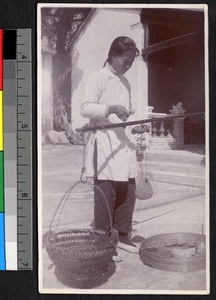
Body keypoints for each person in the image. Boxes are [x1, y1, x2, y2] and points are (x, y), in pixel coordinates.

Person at [80, 36, 140, 254]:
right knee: (106, 194)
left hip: (123, 143)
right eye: (125, 61)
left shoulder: (126, 83)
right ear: (113, 55)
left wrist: (135, 127)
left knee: (128, 189)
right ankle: (104, 243)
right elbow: (85, 108)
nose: (128, 66)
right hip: (104, 142)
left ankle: (123, 235)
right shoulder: (97, 78)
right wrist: (111, 108)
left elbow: (126, 115)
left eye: (131, 63)